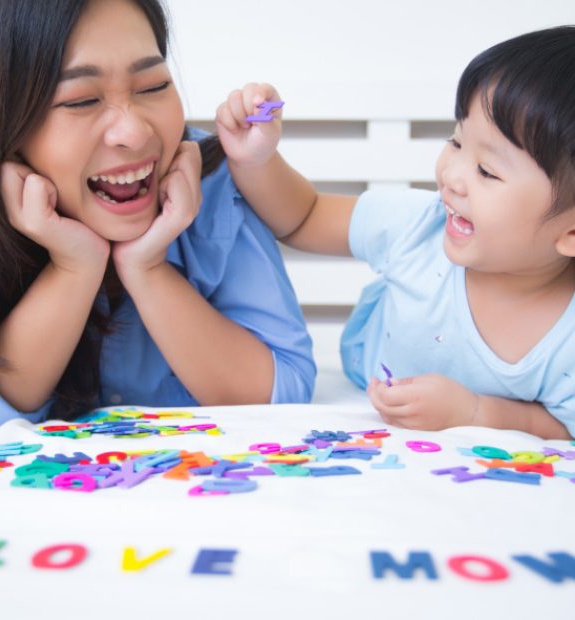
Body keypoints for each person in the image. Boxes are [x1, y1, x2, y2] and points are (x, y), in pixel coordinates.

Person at [0, 0, 315, 430]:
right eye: (80, 100)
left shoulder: (212, 181)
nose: (135, 133)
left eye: (153, 85)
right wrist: (74, 269)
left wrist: (148, 268)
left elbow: (283, 390)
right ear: (1, 122)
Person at [217, 27, 575, 439]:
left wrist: (475, 412)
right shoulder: (418, 226)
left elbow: (563, 426)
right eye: (456, 142)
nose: (452, 177)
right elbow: (305, 216)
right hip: (358, 386)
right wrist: (258, 160)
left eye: (487, 171)